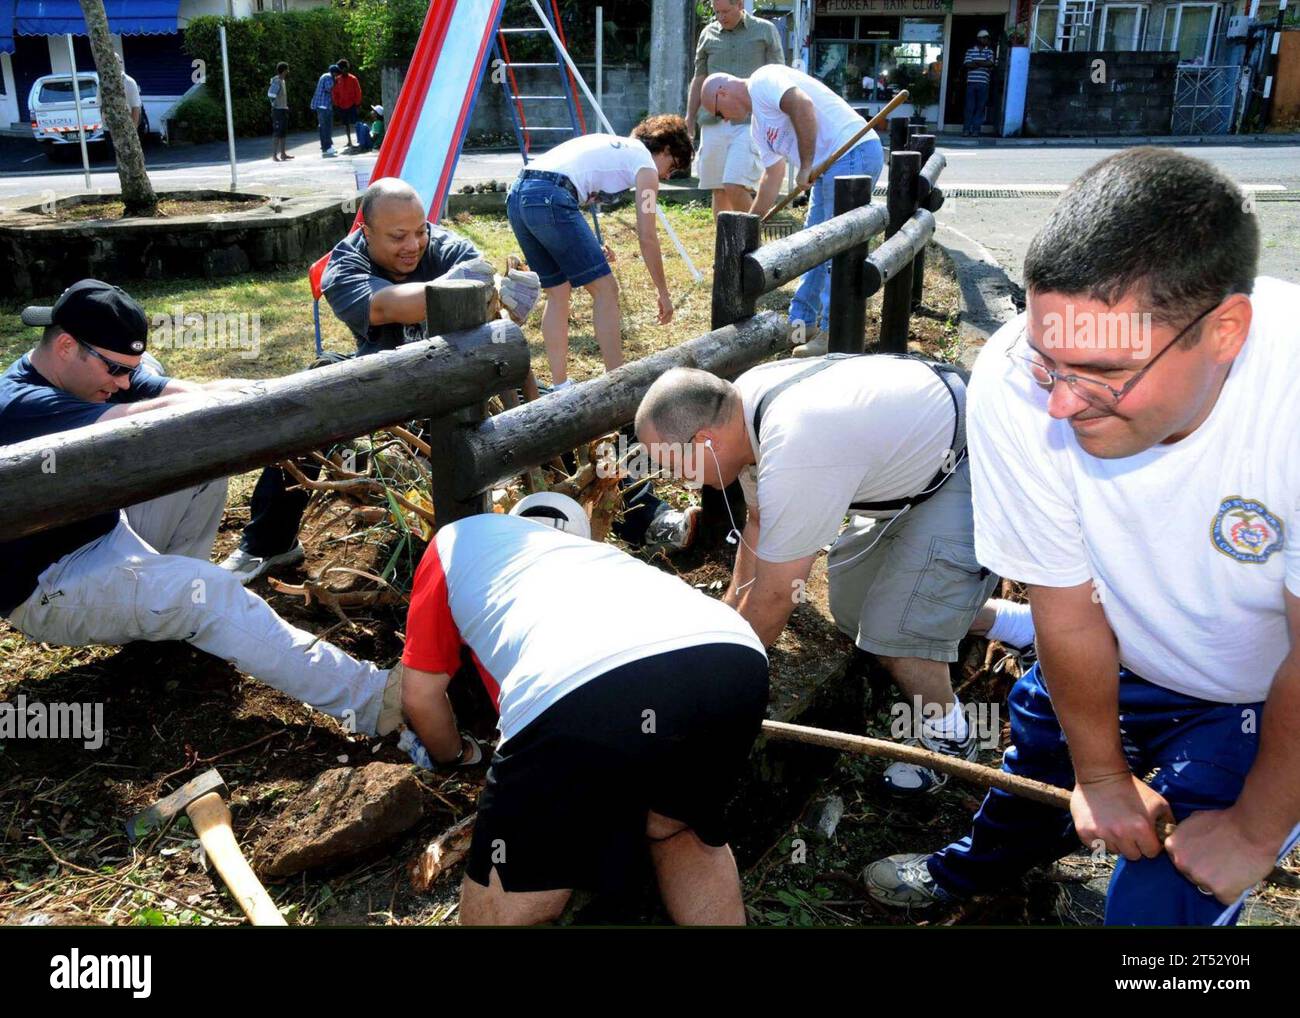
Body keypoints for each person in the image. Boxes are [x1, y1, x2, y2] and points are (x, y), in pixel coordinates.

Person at [863, 148, 1300, 925]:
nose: (1061, 406)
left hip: (1259, 695)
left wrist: (1257, 827)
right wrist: (1101, 777)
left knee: (1160, 913)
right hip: (1109, 644)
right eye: (1047, 362)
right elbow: (1062, 602)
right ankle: (980, 872)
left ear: (1225, 332)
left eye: (1102, 372)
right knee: (1035, 767)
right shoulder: (1011, 382)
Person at [1, 280, 403, 741]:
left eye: (128, 369)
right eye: (115, 370)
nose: (125, 383)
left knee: (202, 466)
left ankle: (173, 622)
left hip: (104, 535)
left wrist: (276, 394)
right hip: (51, 584)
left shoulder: (94, 374)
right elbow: (147, 416)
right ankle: (376, 700)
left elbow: (190, 390)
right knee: (208, 591)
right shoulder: (20, 406)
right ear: (68, 346)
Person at [636, 357, 1034, 794]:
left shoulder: (795, 448)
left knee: (894, 633)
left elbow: (774, 597)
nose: (678, 478)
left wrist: (715, 683)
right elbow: (759, 521)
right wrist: (726, 623)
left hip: (977, 463)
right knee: (852, 605)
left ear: (704, 440)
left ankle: (951, 740)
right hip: (922, 468)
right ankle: (1013, 623)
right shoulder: (741, 408)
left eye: (673, 464)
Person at [398, 497, 769, 924]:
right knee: (681, 829)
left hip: (577, 679)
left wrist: (458, 755)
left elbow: (420, 696)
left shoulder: (450, 543)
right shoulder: (590, 556)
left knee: (510, 896)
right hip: (732, 656)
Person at [218, 178, 540, 583]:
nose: (413, 244)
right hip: (384, 387)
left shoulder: (447, 248)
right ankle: (269, 543)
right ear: (366, 232)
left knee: (561, 412)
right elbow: (386, 308)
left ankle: (573, 513)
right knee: (306, 399)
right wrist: (471, 285)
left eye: (420, 231)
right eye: (398, 236)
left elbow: (495, 326)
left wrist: (509, 306)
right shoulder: (346, 264)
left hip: (458, 384)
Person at [701, 67, 883, 358]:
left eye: (719, 112)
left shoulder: (762, 80)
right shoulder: (758, 128)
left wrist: (807, 163)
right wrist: (753, 222)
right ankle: (801, 324)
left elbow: (802, 104)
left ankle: (832, 333)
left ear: (722, 92)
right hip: (828, 167)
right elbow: (772, 176)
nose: (724, 119)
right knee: (812, 245)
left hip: (851, 152)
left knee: (834, 248)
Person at [505, 115, 692, 387]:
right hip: (549, 198)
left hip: (519, 196)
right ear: (665, 150)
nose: (666, 176)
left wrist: (591, 246)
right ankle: (617, 383)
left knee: (558, 292)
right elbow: (647, 236)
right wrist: (662, 292)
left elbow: (568, 186)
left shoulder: (616, 146)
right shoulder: (646, 169)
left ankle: (560, 386)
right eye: (672, 167)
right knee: (606, 289)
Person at [686, 0, 783, 219]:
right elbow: (699, 78)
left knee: (735, 184)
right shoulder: (707, 33)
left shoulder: (765, 30)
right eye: (716, 12)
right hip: (712, 121)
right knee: (718, 188)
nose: (721, 16)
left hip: (749, 121)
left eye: (726, 11)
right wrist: (690, 117)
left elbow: (778, 75)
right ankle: (725, 248)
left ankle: (752, 242)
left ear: (740, 5)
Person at [962, 30, 996, 138]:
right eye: (984, 38)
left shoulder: (989, 51)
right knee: (969, 107)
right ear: (979, 38)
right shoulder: (970, 51)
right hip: (971, 82)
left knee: (980, 108)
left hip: (984, 83)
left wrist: (976, 63)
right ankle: (966, 130)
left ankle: (976, 130)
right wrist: (983, 64)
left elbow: (991, 63)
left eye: (987, 38)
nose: (986, 40)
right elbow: (967, 64)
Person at [310, 63, 341, 157]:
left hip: (322, 105)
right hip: (324, 106)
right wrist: (336, 82)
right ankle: (327, 147)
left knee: (324, 127)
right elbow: (329, 88)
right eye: (337, 74)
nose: (337, 76)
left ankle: (325, 147)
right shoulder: (328, 77)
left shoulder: (325, 76)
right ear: (334, 72)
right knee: (326, 127)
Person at [333, 59, 362, 150]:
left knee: (355, 123)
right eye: (341, 69)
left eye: (344, 68)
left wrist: (357, 104)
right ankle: (349, 141)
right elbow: (335, 92)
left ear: (347, 68)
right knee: (346, 124)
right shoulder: (337, 79)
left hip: (352, 104)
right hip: (342, 105)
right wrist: (337, 103)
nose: (343, 70)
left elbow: (358, 91)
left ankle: (359, 140)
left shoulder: (353, 79)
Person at [267, 62, 292, 163]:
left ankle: (283, 154)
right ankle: (274, 155)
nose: (288, 72)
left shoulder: (282, 80)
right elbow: (270, 94)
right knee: (277, 133)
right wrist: (275, 105)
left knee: (283, 132)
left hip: (283, 109)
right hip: (278, 110)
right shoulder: (277, 81)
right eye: (287, 69)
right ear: (284, 70)